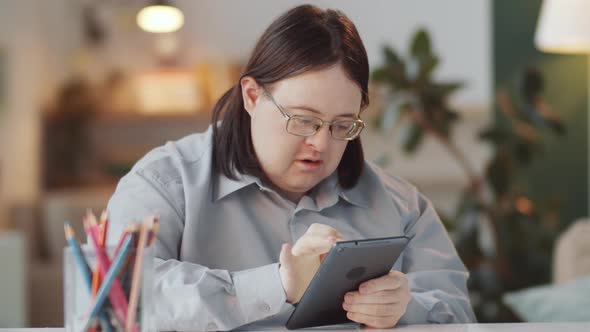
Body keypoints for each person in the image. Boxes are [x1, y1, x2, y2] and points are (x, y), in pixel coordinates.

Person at [106, 4, 476, 331]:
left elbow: (460, 314)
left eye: (341, 125)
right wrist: (278, 284)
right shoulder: (164, 183)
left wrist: (405, 309)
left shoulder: (401, 205)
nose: (321, 143)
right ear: (252, 96)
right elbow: (120, 302)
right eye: (302, 120)